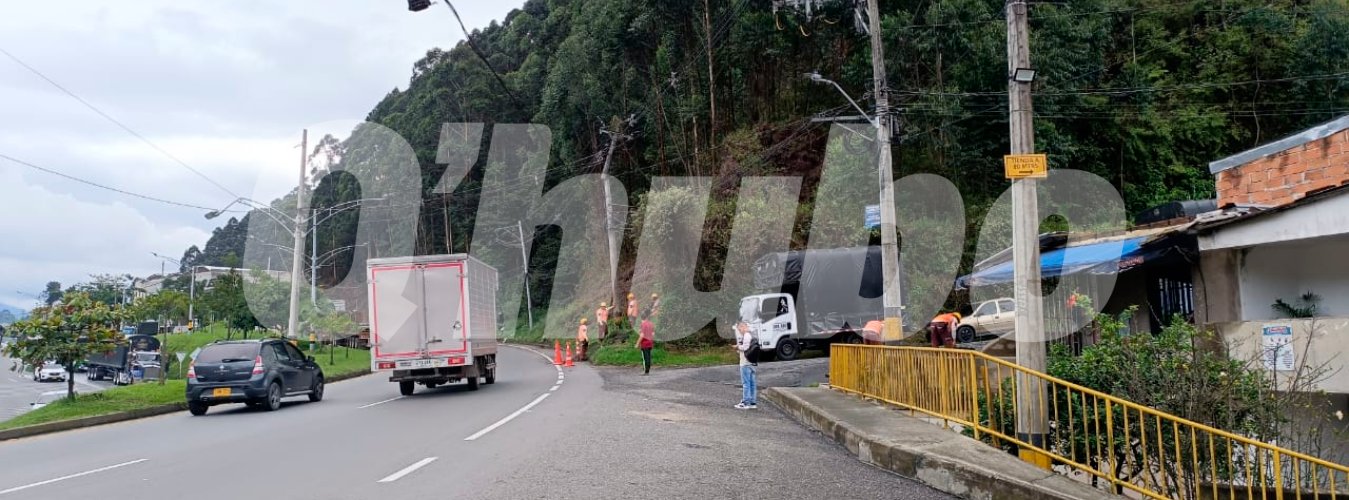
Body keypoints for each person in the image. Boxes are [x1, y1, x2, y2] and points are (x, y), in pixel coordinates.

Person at [734, 322, 758, 409]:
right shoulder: (751, 335)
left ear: (743, 327)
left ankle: (745, 402)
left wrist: (737, 347)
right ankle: (752, 402)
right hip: (752, 363)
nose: (740, 331)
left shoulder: (746, 336)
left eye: (740, 329)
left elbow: (745, 348)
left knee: (746, 383)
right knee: (752, 383)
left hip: (745, 363)